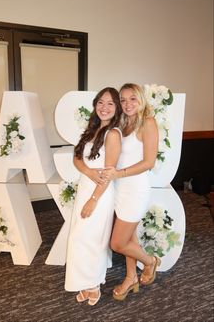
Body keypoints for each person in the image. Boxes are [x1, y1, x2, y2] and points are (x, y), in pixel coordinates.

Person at [65, 87, 122, 306]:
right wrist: (88, 172)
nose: (104, 107)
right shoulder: (93, 129)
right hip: (85, 188)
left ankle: (94, 283)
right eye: (100, 102)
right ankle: (86, 280)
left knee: (92, 239)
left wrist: (94, 199)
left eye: (110, 103)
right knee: (81, 237)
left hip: (100, 193)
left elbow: (108, 173)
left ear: (116, 108)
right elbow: (77, 158)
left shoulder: (113, 134)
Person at [103, 83, 160, 301]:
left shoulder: (148, 122)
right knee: (129, 238)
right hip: (120, 188)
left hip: (135, 189)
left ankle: (149, 261)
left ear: (141, 100)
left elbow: (149, 162)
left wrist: (119, 173)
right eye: (123, 100)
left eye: (132, 99)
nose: (128, 104)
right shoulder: (123, 122)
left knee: (117, 243)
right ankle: (130, 278)